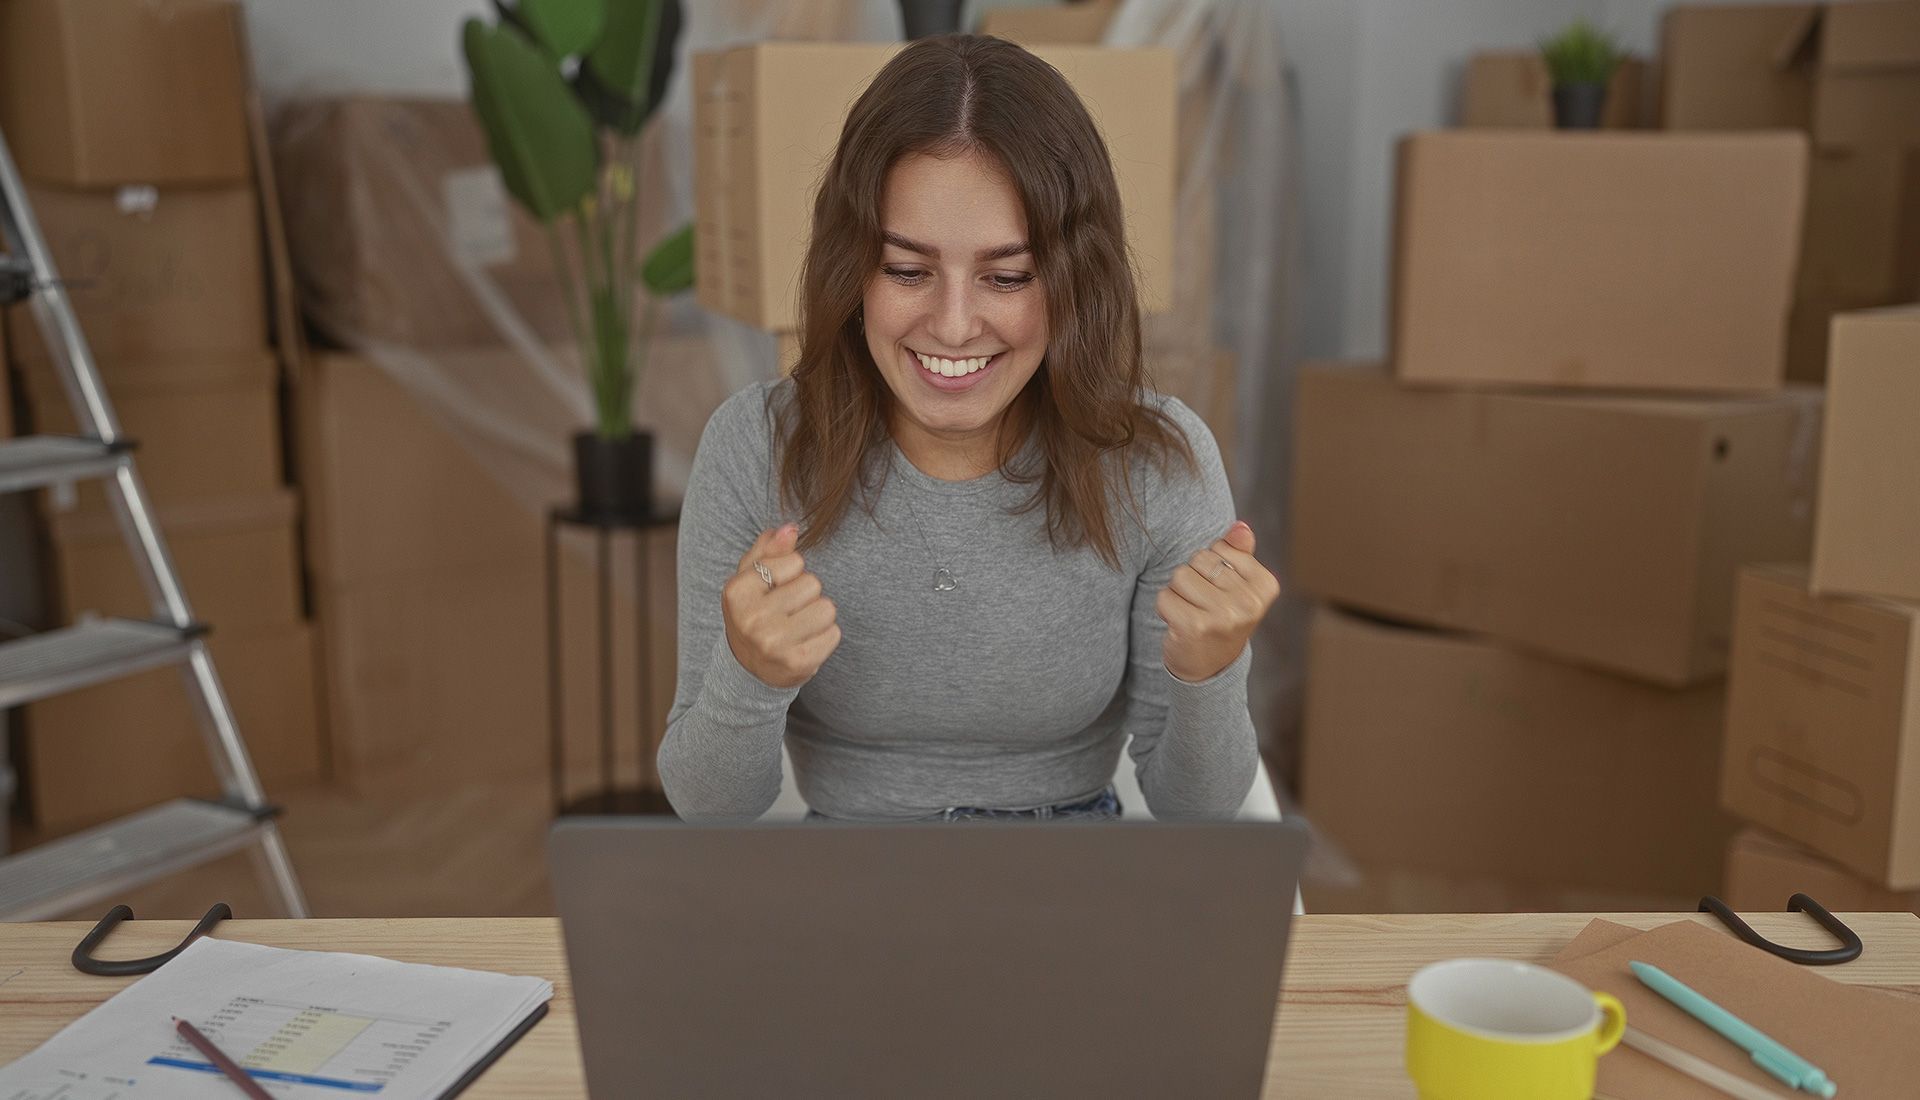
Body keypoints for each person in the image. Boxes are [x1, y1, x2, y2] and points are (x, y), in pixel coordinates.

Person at [657, 34, 1279, 823]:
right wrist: (747, 674)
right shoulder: (757, 446)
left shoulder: (1155, 461)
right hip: (844, 887)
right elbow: (709, 807)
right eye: (907, 271)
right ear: (854, 270)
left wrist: (1209, 672)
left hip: (1074, 886)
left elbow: (1198, 811)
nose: (953, 326)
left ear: (1072, 280)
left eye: (1007, 277)